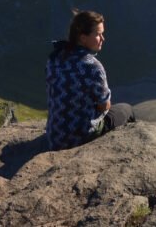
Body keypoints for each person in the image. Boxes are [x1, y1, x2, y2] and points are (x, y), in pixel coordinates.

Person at [45, 9, 136, 150]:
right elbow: (104, 105)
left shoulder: (54, 58)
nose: (103, 38)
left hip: (56, 137)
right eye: (98, 34)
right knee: (127, 109)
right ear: (82, 37)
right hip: (81, 137)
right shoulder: (92, 66)